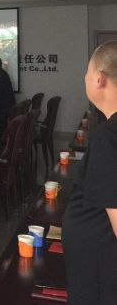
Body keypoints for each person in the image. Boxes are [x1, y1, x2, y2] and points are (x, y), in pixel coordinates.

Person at [63, 40, 117, 305]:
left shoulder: (108, 136)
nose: (84, 77)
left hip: (99, 267)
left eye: (87, 71)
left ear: (99, 78)